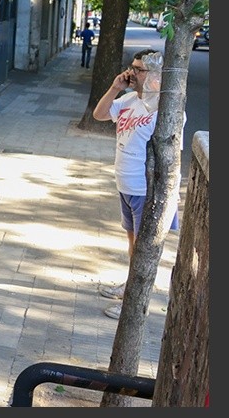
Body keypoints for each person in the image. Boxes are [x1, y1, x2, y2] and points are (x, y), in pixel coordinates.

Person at [92, 49, 183, 320]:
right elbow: (99, 114)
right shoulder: (129, 99)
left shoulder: (166, 112)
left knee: (144, 247)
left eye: (139, 69)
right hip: (126, 184)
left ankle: (133, 301)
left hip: (146, 190)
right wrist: (114, 87)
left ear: (156, 75)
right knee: (132, 242)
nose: (132, 73)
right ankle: (129, 285)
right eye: (131, 67)